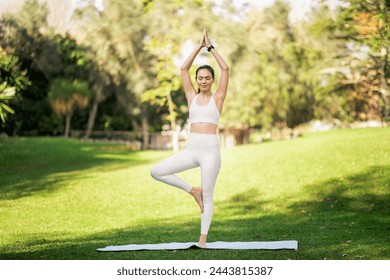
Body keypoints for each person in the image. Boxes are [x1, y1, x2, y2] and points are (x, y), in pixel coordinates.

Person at [150, 29, 229, 247]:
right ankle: (193, 190)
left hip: (210, 152)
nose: (203, 81)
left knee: (210, 194)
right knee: (156, 171)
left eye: (207, 78)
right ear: (196, 80)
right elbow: (183, 68)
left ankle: (202, 239)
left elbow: (225, 68)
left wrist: (210, 48)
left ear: (213, 81)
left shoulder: (218, 98)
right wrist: (198, 46)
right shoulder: (191, 97)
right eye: (200, 78)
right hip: (191, 151)